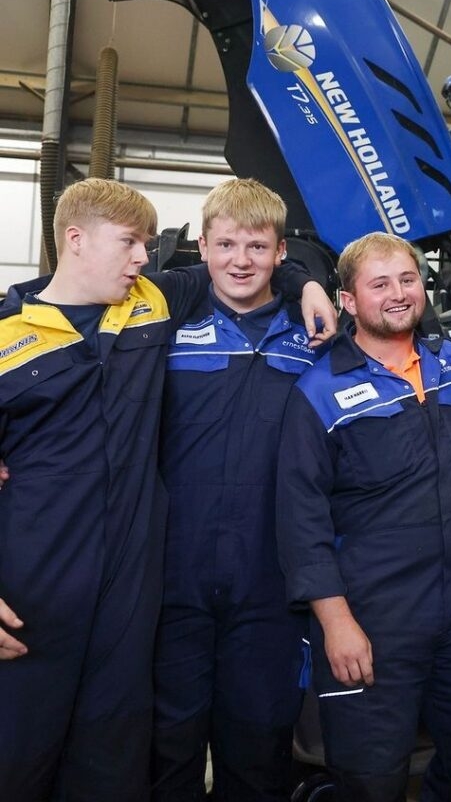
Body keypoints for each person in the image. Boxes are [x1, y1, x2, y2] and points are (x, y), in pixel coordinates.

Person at [0, 177, 334, 802]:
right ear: (75, 239)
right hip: (42, 587)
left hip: (135, 591)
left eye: (146, 246)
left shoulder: (153, 302)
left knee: (120, 759)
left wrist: (309, 280)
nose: (141, 259)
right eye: (131, 243)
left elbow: (272, 262)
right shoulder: (15, 336)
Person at [276, 231, 451, 801]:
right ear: (349, 302)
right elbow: (300, 520)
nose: (399, 294)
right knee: (371, 776)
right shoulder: (319, 390)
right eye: (379, 284)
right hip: (372, 618)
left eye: (407, 280)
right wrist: (336, 624)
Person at [151, 179, 333, 801]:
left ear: (282, 252)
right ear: (201, 246)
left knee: (257, 752)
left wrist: (309, 281)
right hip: (174, 579)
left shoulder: (315, 338)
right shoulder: (166, 324)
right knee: (167, 748)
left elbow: (411, 318)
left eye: (257, 247)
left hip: (270, 586)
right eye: (225, 244)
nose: (240, 260)